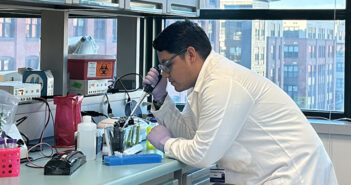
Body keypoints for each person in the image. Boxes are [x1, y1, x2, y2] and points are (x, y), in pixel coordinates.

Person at [144, 20, 338, 185]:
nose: (165, 74)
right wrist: (161, 97)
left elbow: (203, 155)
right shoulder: (202, 84)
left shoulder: (221, 83)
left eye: (167, 64)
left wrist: (165, 142)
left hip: (293, 174)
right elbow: (191, 135)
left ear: (191, 55)